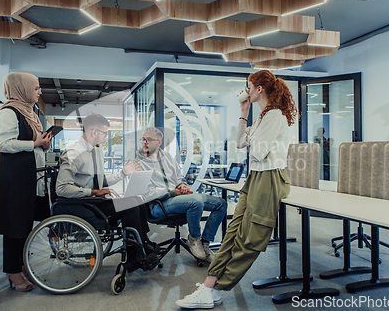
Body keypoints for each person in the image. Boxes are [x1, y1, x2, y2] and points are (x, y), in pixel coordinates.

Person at [176, 70, 297, 308]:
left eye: (249, 87)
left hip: (269, 179)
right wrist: (244, 112)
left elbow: (258, 153)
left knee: (250, 240)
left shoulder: (274, 116)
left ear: (258, 89)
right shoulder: (262, 116)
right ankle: (210, 288)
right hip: (256, 178)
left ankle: (216, 288)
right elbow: (241, 142)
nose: (247, 91)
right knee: (232, 235)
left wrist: (254, 138)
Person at [55, 113, 157, 272]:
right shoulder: (73, 153)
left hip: (94, 202)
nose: (105, 137)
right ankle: (134, 255)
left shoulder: (96, 151)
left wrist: (123, 173)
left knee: (136, 200)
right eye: (104, 133)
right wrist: (94, 192)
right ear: (94, 132)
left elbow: (100, 182)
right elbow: (62, 189)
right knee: (130, 207)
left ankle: (143, 242)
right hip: (80, 205)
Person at [0, 72, 53, 292]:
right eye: (35, 88)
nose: (39, 92)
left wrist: (43, 145)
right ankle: (13, 272)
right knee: (15, 228)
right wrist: (34, 144)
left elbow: (32, 144)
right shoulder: (8, 112)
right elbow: (2, 144)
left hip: (28, 178)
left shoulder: (30, 112)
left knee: (24, 226)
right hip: (14, 181)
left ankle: (20, 265)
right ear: (21, 89)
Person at [137, 127, 227, 262]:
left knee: (220, 204)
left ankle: (205, 242)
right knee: (195, 201)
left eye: (148, 139)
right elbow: (147, 193)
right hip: (158, 205)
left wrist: (182, 185)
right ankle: (194, 239)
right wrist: (174, 192)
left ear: (159, 142)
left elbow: (179, 176)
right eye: (143, 139)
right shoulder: (139, 163)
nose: (144, 142)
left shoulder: (167, 156)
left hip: (177, 198)